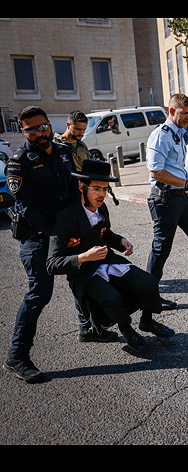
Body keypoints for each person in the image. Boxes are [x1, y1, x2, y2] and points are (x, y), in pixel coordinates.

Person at [46, 159, 175, 354]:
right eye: (96, 189)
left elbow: (106, 233)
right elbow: (52, 264)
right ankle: (127, 330)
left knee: (149, 282)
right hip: (84, 272)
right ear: (83, 188)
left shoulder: (101, 208)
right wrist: (83, 257)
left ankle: (147, 322)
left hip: (107, 260)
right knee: (112, 298)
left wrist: (120, 241)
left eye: (105, 189)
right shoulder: (67, 216)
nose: (102, 195)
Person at [2, 106, 81, 383]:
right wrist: (54, 235)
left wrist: (74, 226)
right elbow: (26, 207)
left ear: (50, 124)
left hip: (62, 230)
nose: (40, 133)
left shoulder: (62, 151)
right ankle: (16, 356)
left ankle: (90, 328)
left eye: (43, 126)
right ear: (23, 131)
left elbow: (73, 192)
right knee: (40, 295)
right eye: (32, 129)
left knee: (84, 273)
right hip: (37, 236)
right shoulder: (18, 162)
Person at [146, 93, 188, 310]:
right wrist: (187, 183)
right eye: (184, 113)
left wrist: (185, 185)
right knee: (161, 249)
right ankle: (149, 295)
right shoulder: (161, 135)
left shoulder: (178, 134)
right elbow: (156, 171)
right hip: (165, 199)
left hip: (179, 196)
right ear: (172, 111)